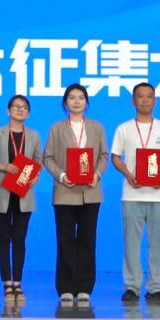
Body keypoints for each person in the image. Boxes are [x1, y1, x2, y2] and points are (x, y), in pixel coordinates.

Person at [110, 83, 160, 303]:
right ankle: (132, 287)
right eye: (140, 96)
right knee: (131, 244)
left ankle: (155, 287)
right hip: (132, 194)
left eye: (149, 96)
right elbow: (115, 157)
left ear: (155, 101)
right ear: (133, 101)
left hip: (158, 195)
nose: (145, 100)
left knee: (157, 244)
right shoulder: (123, 129)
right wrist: (128, 174)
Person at [43, 83, 109, 306]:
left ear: (87, 103)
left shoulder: (97, 127)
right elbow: (47, 158)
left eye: (81, 97)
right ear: (65, 103)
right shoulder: (56, 129)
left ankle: (85, 288)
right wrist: (62, 176)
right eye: (72, 97)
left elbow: (104, 155)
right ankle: (66, 287)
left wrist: (96, 174)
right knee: (66, 240)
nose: (77, 101)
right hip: (65, 191)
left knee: (88, 240)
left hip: (91, 192)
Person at [0, 95, 43, 301]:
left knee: (19, 238)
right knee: (3, 238)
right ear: (8, 111)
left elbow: (39, 160)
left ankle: (18, 282)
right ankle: (6, 283)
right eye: (16, 106)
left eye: (24, 107)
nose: (20, 110)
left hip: (24, 193)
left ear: (29, 113)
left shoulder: (33, 135)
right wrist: (4, 167)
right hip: (2, 192)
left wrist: (36, 176)